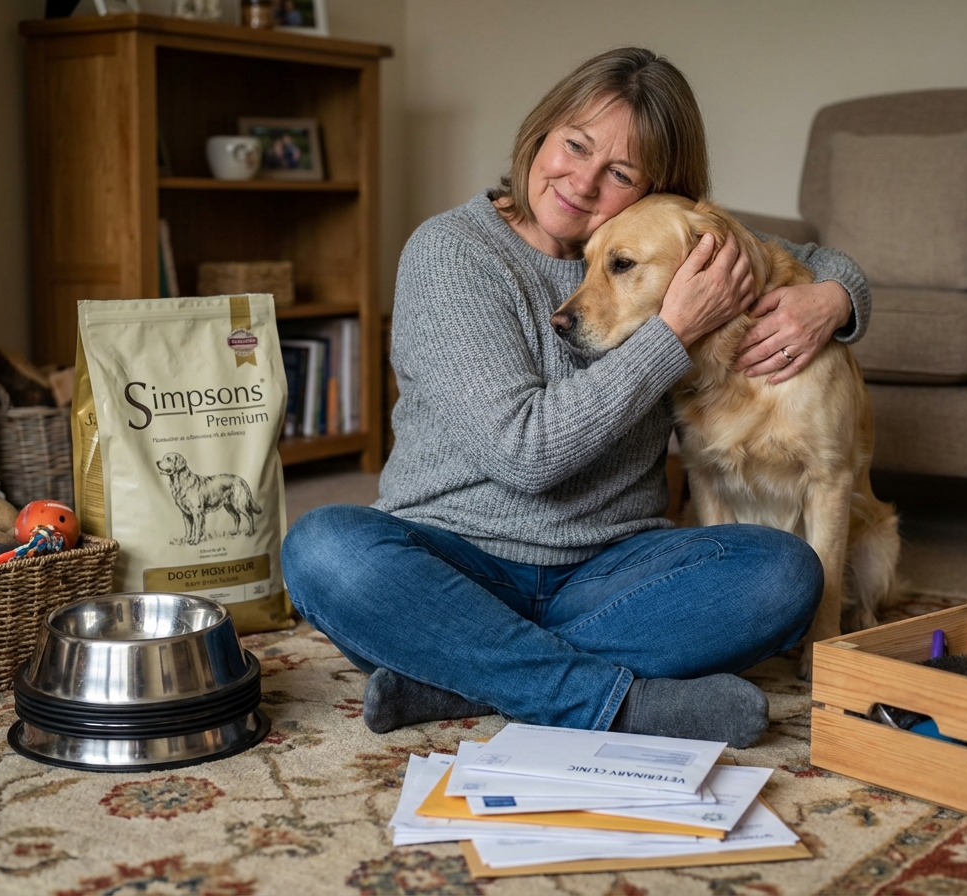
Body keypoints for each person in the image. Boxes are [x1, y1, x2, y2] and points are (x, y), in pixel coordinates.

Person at [281, 47, 869, 747]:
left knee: (784, 573)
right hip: (453, 566)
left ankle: (459, 676)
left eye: (620, 173)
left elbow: (800, 255)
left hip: (612, 572)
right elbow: (526, 454)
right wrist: (673, 333)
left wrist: (833, 297)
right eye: (576, 144)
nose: (583, 182)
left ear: (656, 194)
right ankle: (616, 704)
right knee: (323, 549)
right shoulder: (450, 254)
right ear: (543, 131)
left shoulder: (666, 242)